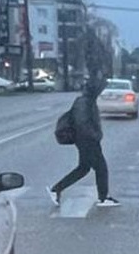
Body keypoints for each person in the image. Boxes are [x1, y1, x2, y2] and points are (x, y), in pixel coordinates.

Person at [49, 74, 120, 208]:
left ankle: (56, 189)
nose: (101, 91)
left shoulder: (87, 100)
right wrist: (95, 135)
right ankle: (103, 198)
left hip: (86, 140)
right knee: (101, 168)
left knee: (83, 168)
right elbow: (82, 123)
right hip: (87, 140)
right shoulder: (84, 102)